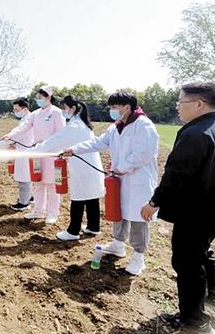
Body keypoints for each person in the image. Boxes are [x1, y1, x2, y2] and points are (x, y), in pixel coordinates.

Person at [141, 82, 215, 334]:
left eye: (180, 102)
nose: (177, 107)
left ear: (199, 104)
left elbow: (176, 176)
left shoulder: (196, 134)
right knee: (201, 248)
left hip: (198, 211)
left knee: (187, 261)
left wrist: (153, 203)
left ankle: (196, 322)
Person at [64, 91, 159, 276]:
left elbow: (144, 153)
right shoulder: (116, 127)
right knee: (118, 211)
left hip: (138, 180)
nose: (111, 110)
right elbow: (98, 143)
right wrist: (74, 149)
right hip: (120, 178)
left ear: (126, 107)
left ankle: (138, 256)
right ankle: (118, 244)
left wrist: (122, 167)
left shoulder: (143, 125)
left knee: (138, 218)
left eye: (114, 107)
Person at [29, 95, 105, 241]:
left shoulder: (74, 126)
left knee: (78, 199)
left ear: (73, 108)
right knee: (91, 197)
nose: (63, 111)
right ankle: (93, 227)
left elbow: (55, 141)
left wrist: (34, 151)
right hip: (90, 168)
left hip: (83, 169)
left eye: (64, 108)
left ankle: (73, 231)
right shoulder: (82, 123)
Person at [2, 86, 65, 223]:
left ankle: (52, 213)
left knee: (52, 185)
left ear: (48, 97)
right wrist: (11, 135)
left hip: (53, 154)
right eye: (37, 98)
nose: (38, 100)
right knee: (38, 182)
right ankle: (38, 211)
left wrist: (52, 146)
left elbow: (61, 133)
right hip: (37, 153)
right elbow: (23, 127)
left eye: (40, 98)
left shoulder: (56, 112)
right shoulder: (35, 114)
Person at [6, 97, 35, 210]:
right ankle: (29, 197)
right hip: (23, 149)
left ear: (24, 109)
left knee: (24, 177)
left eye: (17, 109)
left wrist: (9, 140)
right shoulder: (25, 118)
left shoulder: (28, 119)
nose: (15, 112)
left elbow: (19, 133)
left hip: (24, 151)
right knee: (26, 176)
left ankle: (24, 203)